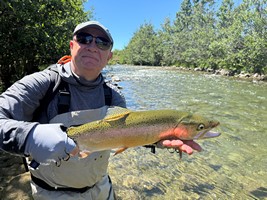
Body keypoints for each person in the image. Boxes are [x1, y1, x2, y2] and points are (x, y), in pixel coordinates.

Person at [0, 21, 202, 200]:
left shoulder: (113, 95)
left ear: (109, 56)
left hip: (100, 188)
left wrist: (156, 137)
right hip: (52, 193)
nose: (92, 46)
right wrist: (30, 137)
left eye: (102, 43)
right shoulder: (42, 83)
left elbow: (123, 136)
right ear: (72, 46)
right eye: (84, 38)